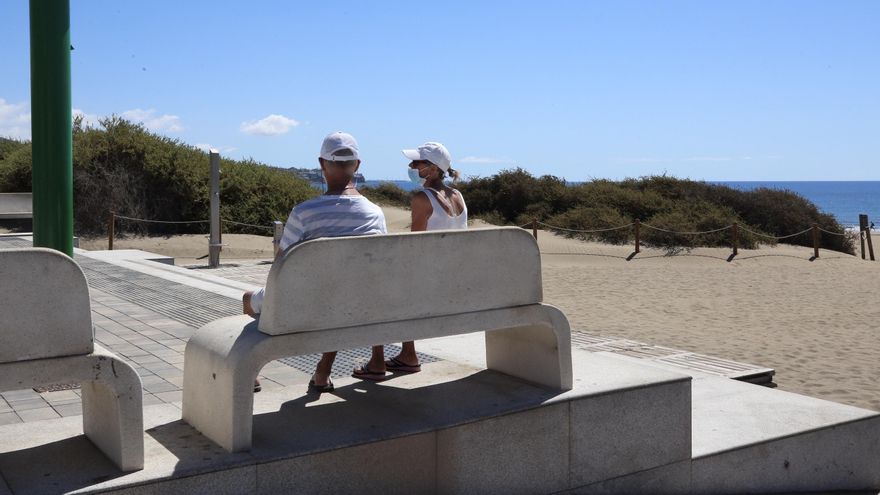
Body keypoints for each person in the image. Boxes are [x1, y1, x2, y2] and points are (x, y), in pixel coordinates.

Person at [242, 131, 387, 393]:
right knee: (338, 294)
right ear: (357, 166)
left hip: (310, 304)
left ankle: (249, 371)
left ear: (322, 164)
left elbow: (281, 268)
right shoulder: (375, 214)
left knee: (248, 299)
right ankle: (322, 372)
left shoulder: (304, 213)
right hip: (360, 303)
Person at [353, 141, 467, 381]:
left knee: (375, 289)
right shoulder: (458, 196)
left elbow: (414, 250)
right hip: (453, 278)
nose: (411, 166)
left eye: (417, 162)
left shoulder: (422, 199)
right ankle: (407, 355)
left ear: (433, 169)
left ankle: (376, 363)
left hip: (430, 284)